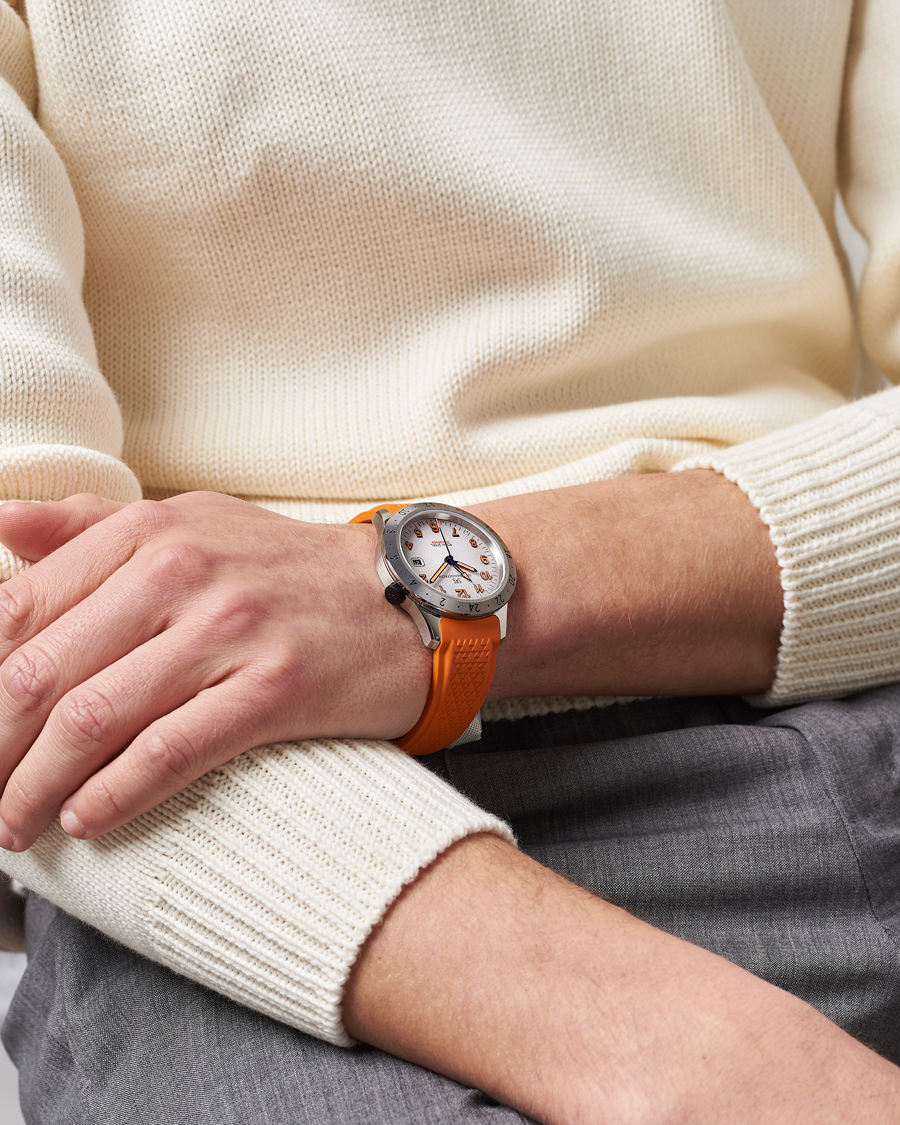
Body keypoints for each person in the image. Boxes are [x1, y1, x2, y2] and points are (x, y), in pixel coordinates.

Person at [0, 0, 899, 1120]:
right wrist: (690, 1049)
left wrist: (413, 601)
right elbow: (30, 642)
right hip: (293, 857)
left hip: (846, 652)